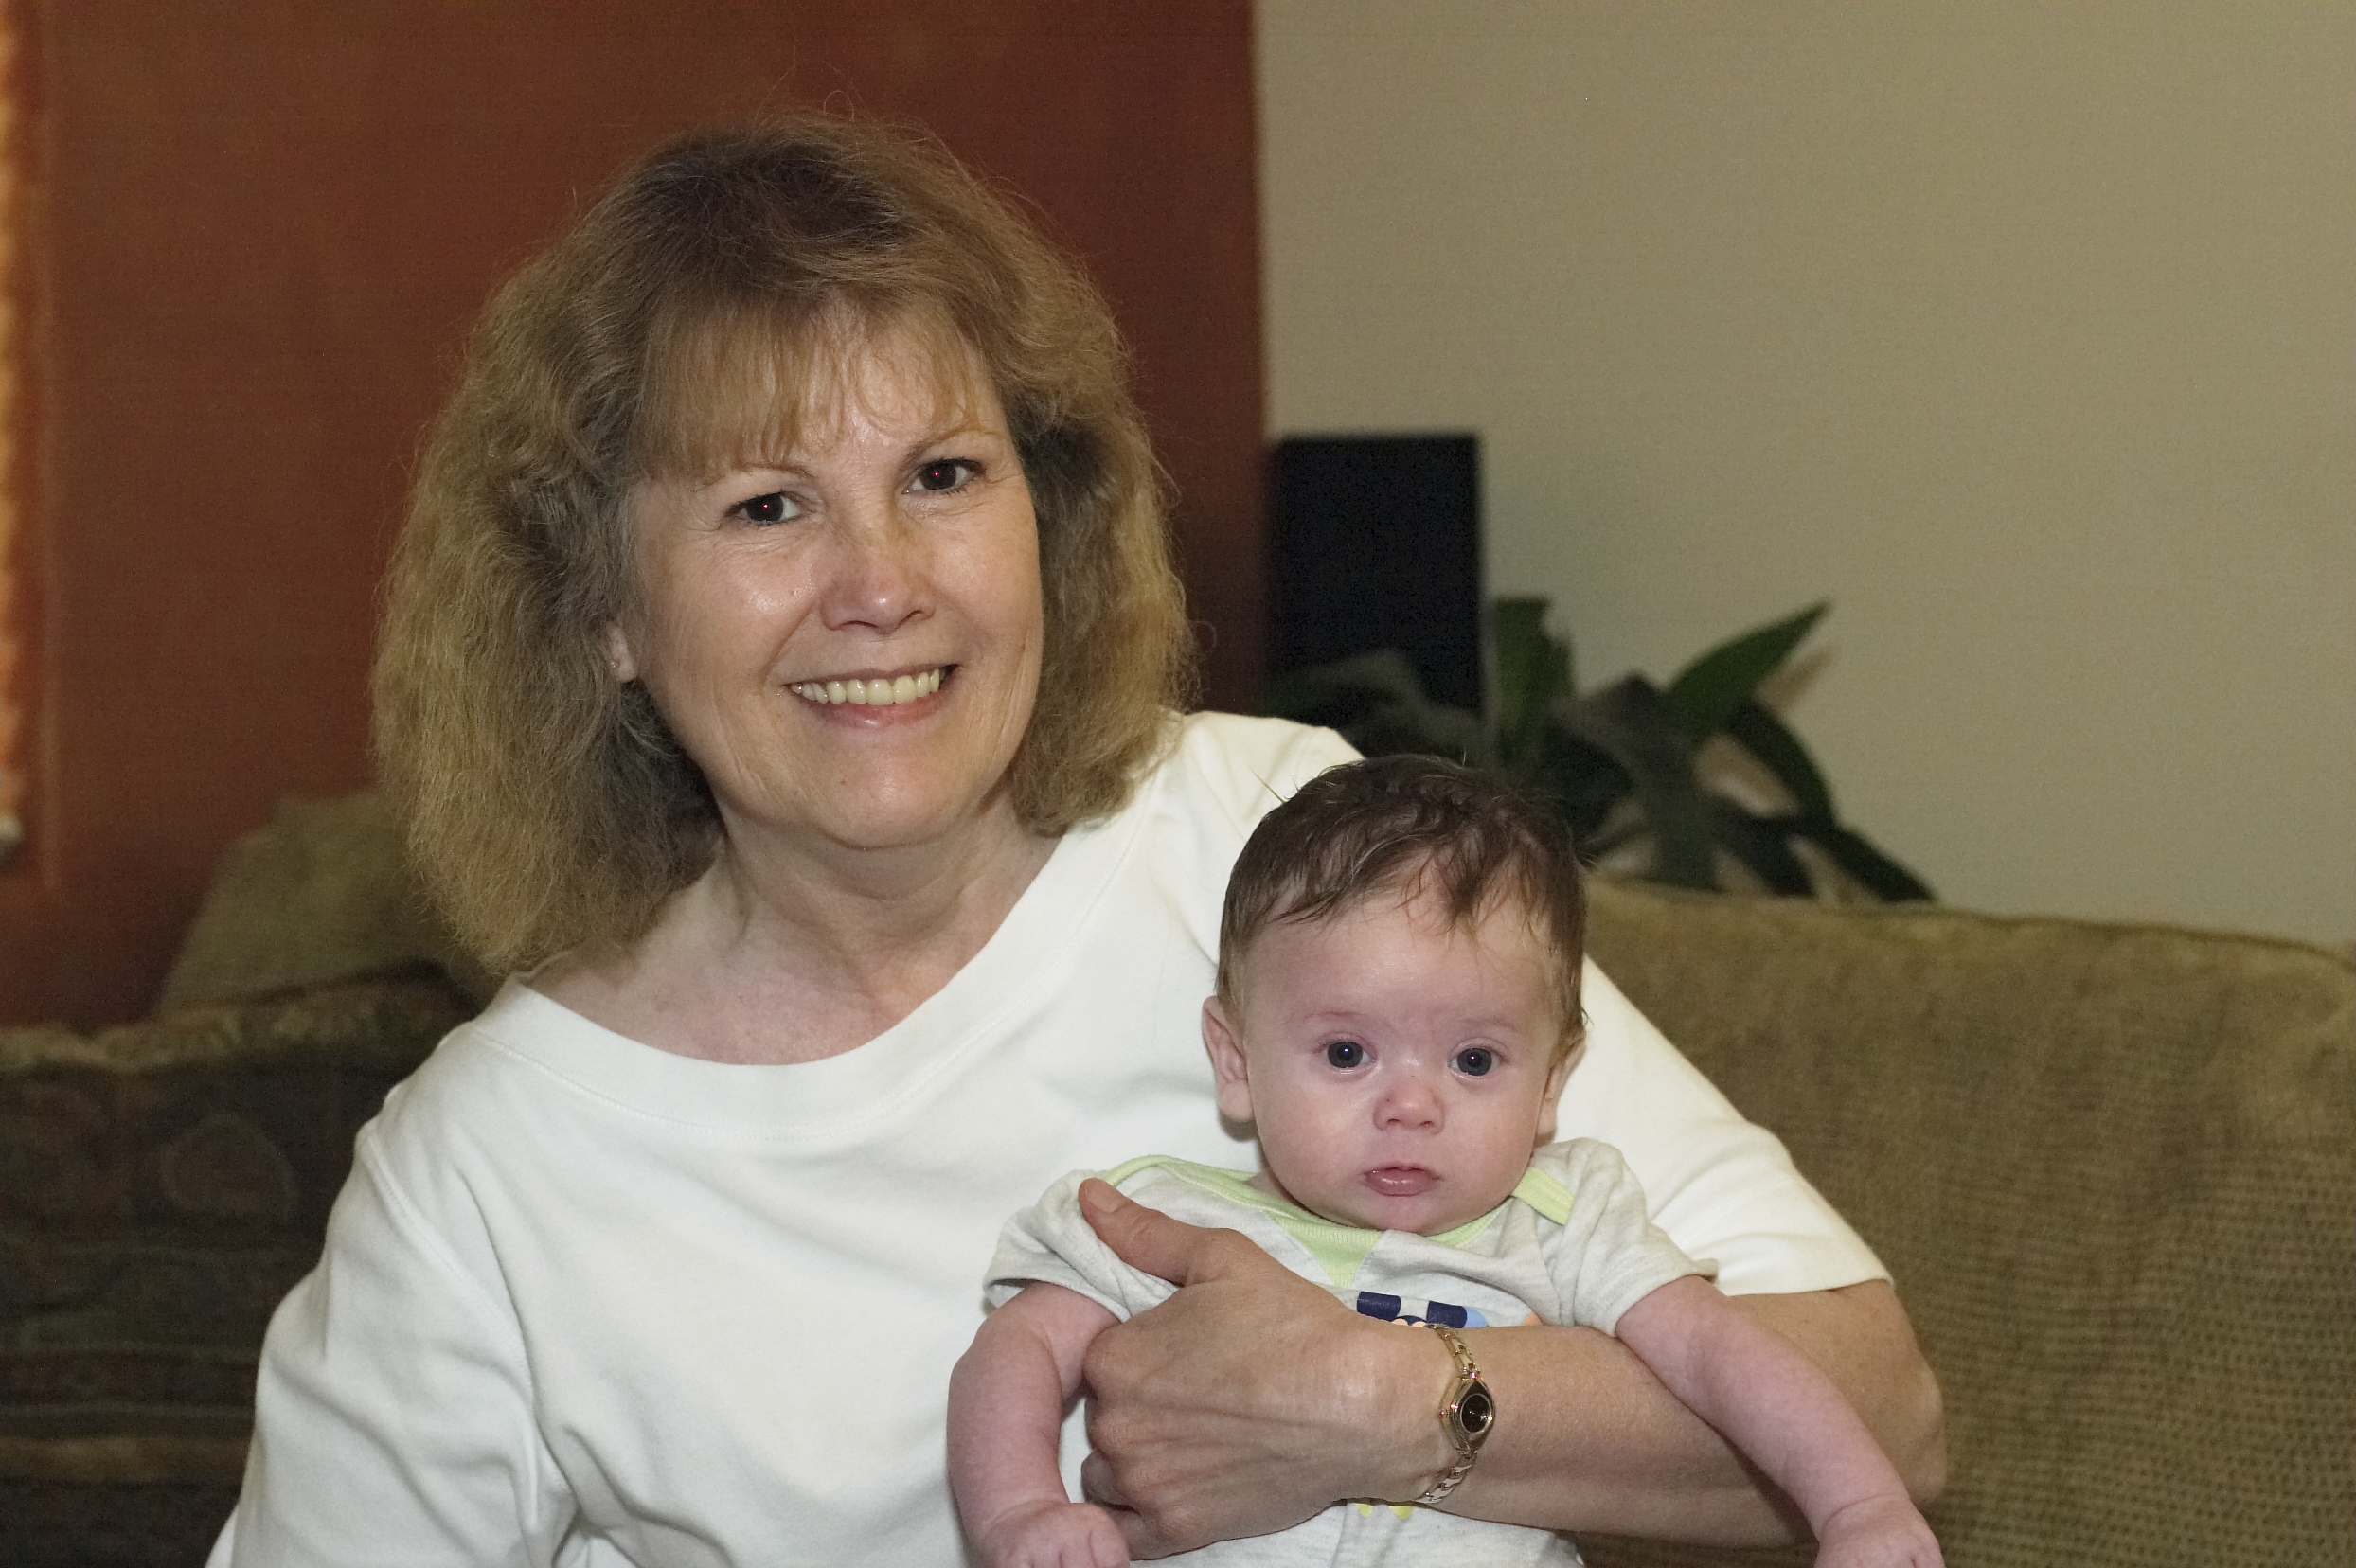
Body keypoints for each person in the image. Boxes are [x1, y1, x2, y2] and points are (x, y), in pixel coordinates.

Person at [206, 116, 1941, 1568]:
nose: (880, 583)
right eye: (766, 503)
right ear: (602, 611)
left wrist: (1370, 1404)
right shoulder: (491, 1180)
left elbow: (1889, 1413)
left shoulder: (1290, 849)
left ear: (1046, 516)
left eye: (944, 476)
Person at [950, 757, 1943, 1567]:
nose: (1412, 1107)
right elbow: (1016, 1350)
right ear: (1237, 1061)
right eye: (1348, 1053)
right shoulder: (1161, 1219)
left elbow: (1724, 1358)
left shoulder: (1566, 1221)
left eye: (1474, 1061)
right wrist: (1020, 1514)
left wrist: (1855, 1504)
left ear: (1551, 1083)